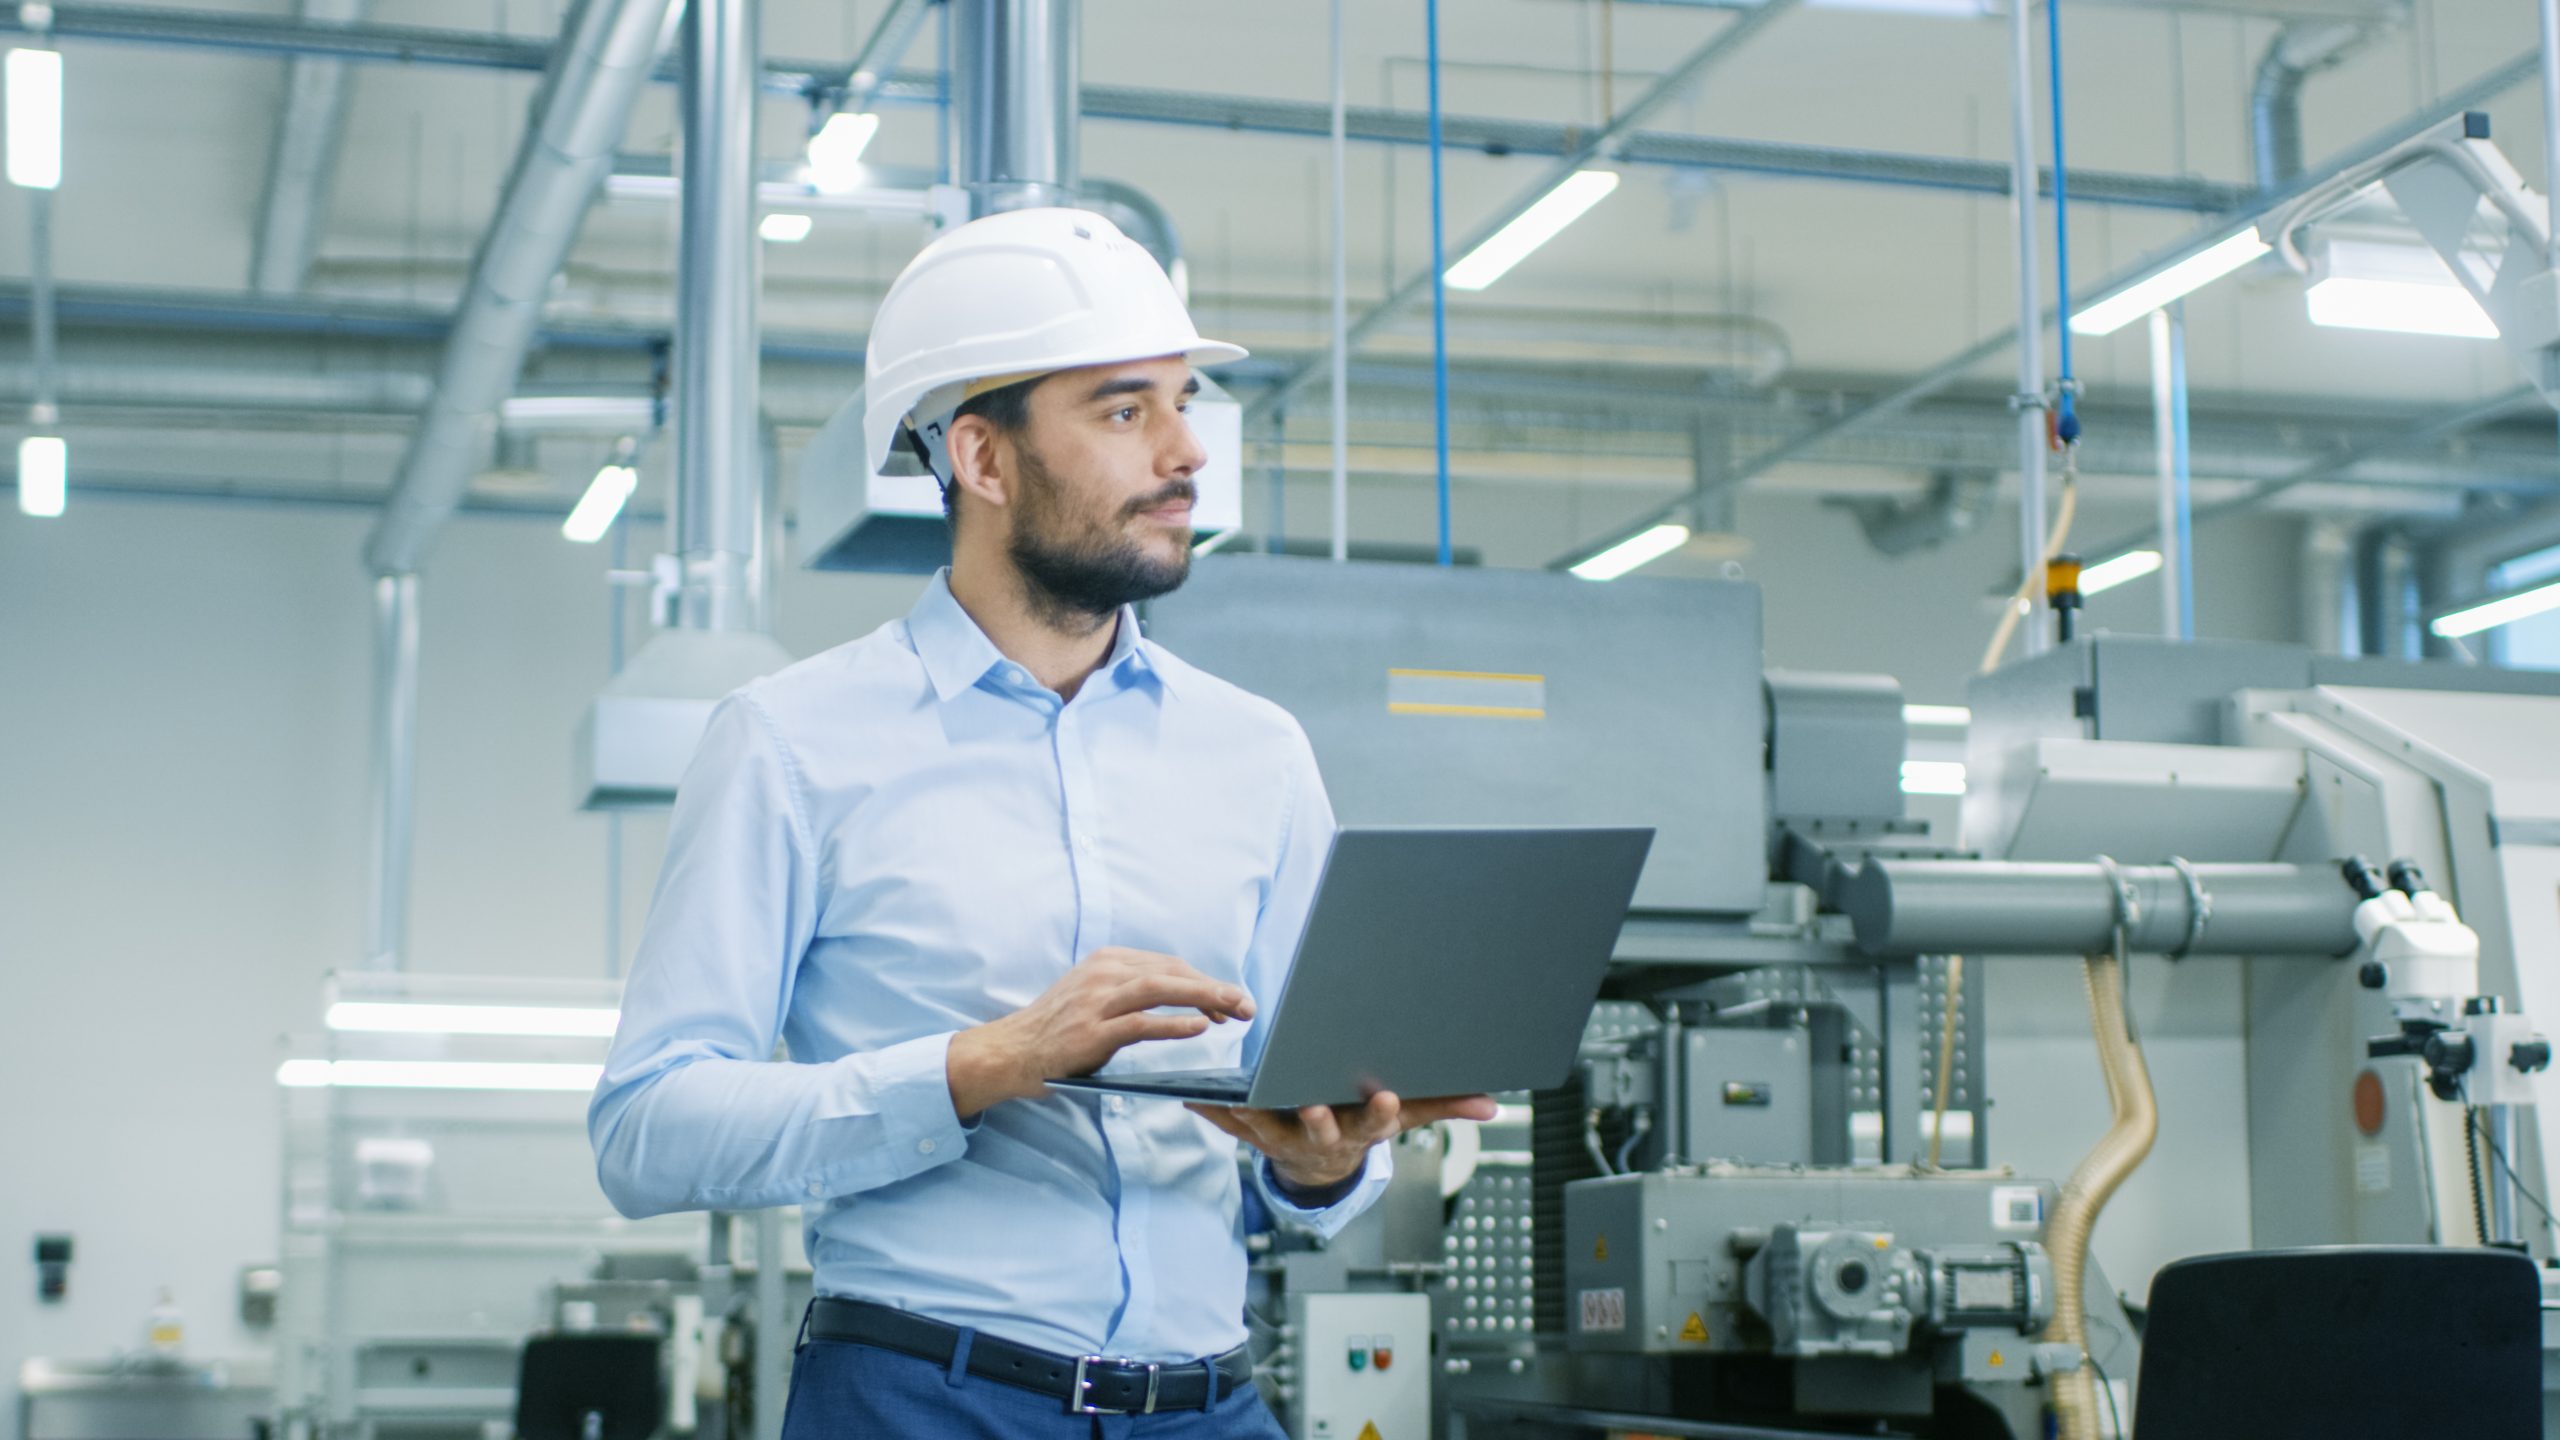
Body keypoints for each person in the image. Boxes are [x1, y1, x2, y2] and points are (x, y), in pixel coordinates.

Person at [589, 207, 1495, 1439]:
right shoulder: (793, 743)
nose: (1185, 453)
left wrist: (1323, 1162)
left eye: (1184, 403)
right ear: (983, 457)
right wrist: (980, 1066)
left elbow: (1314, 1120)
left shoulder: (1257, 752)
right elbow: (647, 1130)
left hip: (1209, 1405)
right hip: (920, 1400)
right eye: (1125, 411)